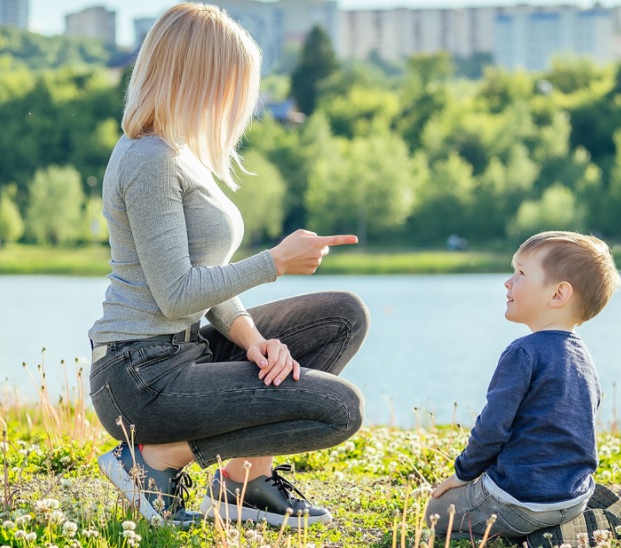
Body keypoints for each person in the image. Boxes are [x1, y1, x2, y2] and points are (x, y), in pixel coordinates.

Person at [87, 3, 368, 529]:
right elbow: (176, 294)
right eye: (234, 84)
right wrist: (274, 263)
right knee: (339, 409)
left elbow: (205, 276)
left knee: (343, 316)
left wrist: (251, 336)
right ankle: (154, 461)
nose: (242, 101)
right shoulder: (147, 158)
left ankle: (243, 481)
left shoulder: (178, 152)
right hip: (140, 376)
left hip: (182, 352)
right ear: (197, 78)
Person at [427, 231, 621, 540]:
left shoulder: (523, 352)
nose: (508, 282)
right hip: (572, 497)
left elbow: (492, 428)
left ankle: (530, 530)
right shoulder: (584, 357)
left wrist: (464, 473)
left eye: (520, 273)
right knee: (554, 505)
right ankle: (564, 526)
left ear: (558, 295)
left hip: (517, 499)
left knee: (435, 511)